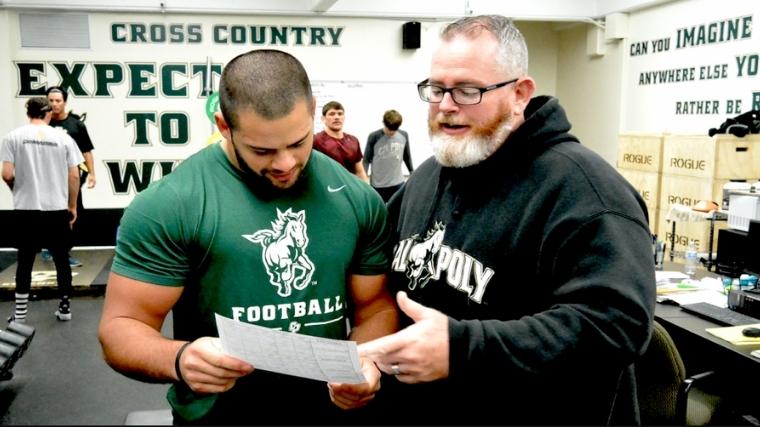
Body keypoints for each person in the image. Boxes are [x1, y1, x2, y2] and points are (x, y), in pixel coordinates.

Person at [358, 15, 656, 425]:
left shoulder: (587, 192)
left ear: (520, 93)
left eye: (467, 90)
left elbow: (615, 325)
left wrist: (462, 348)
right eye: (437, 89)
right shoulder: (428, 176)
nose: (446, 106)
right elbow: (377, 276)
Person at [97, 49, 399, 425]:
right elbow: (122, 327)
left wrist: (361, 362)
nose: (285, 163)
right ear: (224, 126)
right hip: (220, 413)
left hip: (328, 409)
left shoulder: (356, 199)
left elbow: (377, 308)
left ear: (312, 111)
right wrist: (178, 358)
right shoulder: (171, 203)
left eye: (298, 142)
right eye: (262, 150)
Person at [1, 97, 83, 323]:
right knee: (61, 260)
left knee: (25, 261)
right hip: (56, 208)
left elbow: (7, 174)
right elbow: (74, 175)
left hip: (26, 209)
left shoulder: (13, 137)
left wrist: (18, 188)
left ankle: (20, 315)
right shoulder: (63, 138)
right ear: (48, 113)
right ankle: (65, 309)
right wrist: (72, 205)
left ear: (28, 112)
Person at [44, 85, 96, 268]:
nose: (54, 104)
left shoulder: (76, 125)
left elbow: (87, 151)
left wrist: (92, 173)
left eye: (58, 101)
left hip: (70, 177)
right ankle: (49, 248)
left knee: (70, 213)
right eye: (50, 100)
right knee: (48, 213)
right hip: (46, 177)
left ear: (64, 102)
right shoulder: (42, 124)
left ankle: (63, 252)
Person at [363, 109, 414, 202]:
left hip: (398, 183)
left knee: (397, 212)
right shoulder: (374, 136)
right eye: (389, 129)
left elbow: (407, 156)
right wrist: (364, 178)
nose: (391, 132)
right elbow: (366, 159)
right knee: (380, 213)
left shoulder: (404, 135)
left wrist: (412, 172)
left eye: (394, 130)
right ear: (383, 123)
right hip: (378, 185)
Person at [313, 101, 369, 182]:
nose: (337, 117)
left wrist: (367, 192)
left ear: (344, 117)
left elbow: (360, 172)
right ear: (323, 119)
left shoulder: (353, 140)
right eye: (332, 114)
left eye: (340, 114)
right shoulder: (316, 140)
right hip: (328, 189)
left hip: (350, 188)